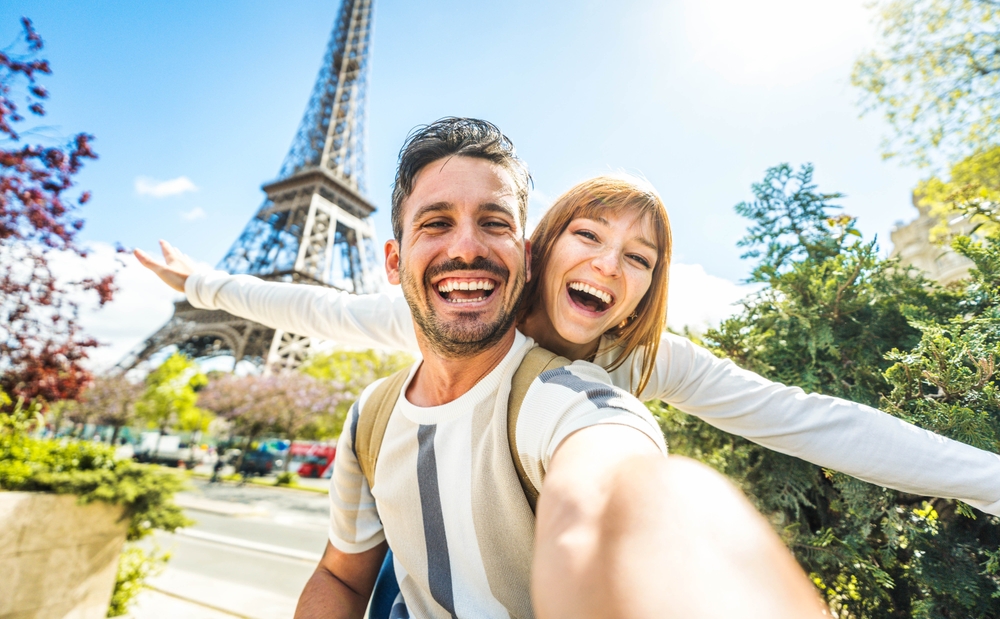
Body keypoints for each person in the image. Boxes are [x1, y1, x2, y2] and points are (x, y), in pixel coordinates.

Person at [139, 118, 830, 618]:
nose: (465, 247)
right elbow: (341, 575)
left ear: (526, 255)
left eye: (494, 222)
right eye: (436, 222)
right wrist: (201, 285)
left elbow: (619, 486)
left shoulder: (573, 397)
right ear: (391, 261)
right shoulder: (372, 417)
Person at [138, 157, 1000, 518]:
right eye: (588, 236)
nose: (610, 264)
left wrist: (988, 480)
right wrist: (204, 285)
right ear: (545, 246)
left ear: (643, 292)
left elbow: (812, 419)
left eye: (639, 257)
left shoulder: (641, 358)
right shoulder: (459, 311)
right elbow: (318, 310)